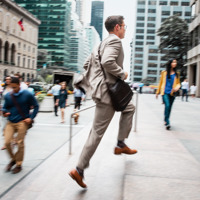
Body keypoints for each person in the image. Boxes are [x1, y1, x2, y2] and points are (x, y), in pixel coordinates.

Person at [69, 15, 137, 188]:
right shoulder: (115, 42)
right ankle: (79, 169)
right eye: (124, 26)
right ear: (117, 28)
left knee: (130, 107)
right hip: (108, 94)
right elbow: (107, 62)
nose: (124, 29)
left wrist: (98, 78)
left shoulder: (99, 44)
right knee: (96, 133)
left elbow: (87, 65)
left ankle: (121, 143)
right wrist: (121, 73)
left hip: (105, 91)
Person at [3, 77, 39, 174]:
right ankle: (13, 159)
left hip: (22, 121)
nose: (13, 90)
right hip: (10, 122)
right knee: (7, 143)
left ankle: (18, 164)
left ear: (19, 85)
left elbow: (36, 106)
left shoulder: (27, 94)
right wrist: (5, 112)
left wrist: (31, 118)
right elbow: (6, 107)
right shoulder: (8, 95)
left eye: (14, 87)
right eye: (11, 87)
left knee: (20, 143)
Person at [156, 59, 181, 130]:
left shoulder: (177, 73)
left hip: (172, 93)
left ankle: (165, 119)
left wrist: (177, 87)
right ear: (170, 63)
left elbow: (178, 83)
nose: (175, 63)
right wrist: (157, 92)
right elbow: (160, 82)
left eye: (175, 62)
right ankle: (167, 122)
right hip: (165, 92)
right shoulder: (164, 72)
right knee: (167, 105)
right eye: (173, 62)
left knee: (169, 107)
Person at [1, 76, 13, 150]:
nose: (7, 81)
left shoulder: (14, 88)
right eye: (6, 79)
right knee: (4, 127)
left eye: (9, 79)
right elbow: (1, 99)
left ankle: (10, 142)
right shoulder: (3, 88)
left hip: (12, 109)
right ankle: (6, 143)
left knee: (11, 127)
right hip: (4, 109)